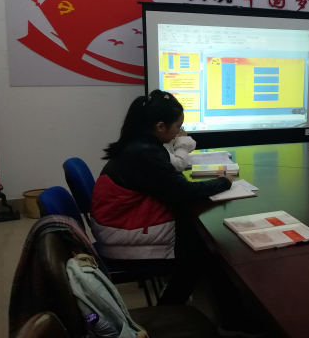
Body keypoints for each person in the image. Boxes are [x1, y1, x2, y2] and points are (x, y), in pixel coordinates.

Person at [92, 90, 265, 337]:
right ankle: (209, 317)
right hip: (121, 233)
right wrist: (223, 182)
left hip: (120, 223)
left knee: (202, 245)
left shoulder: (140, 144)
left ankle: (220, 315)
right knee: (208, 248)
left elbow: (171, 181)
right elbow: (184, 191)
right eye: (177, 127)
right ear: (160, 126)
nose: (179, 133)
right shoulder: (144, 152)